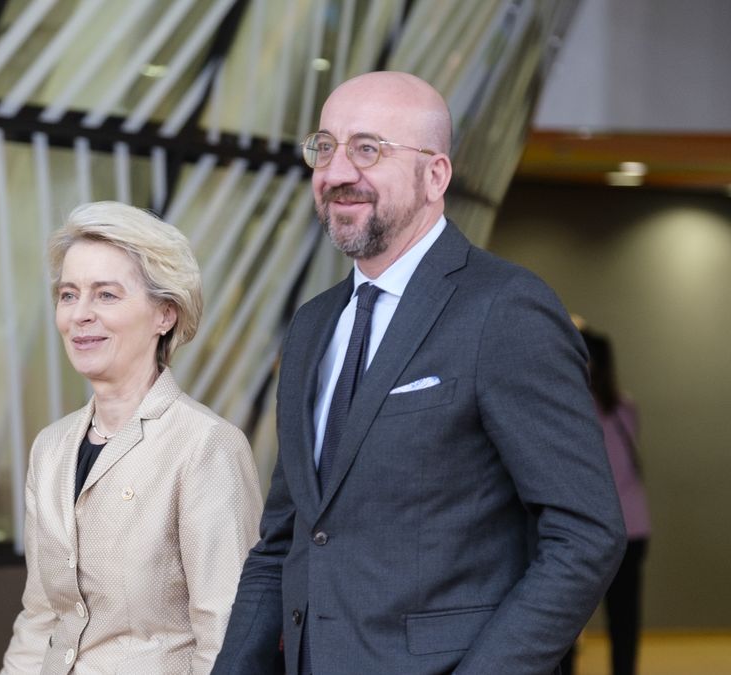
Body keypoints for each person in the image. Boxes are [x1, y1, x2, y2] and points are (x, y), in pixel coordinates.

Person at [213, 71, 626, 675]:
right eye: (324, 147)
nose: (336, 172)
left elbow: (586, 533)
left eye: (368, 148)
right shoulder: (311, 326)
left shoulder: (505, 309)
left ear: (436, 176)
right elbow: (285, 540)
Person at [0, 201, 263, 675]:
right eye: (68, 294)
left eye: (106, 295)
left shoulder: (206, 446)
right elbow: (41, 618)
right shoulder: (51, 448)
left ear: (164, 314)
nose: (80, 315)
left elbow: (226, 636)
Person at [573, 328, 650, 675]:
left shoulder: (573, 407)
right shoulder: (625, 406)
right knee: (624, 619)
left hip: (589, 533)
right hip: (633, 529)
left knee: (565, 620)